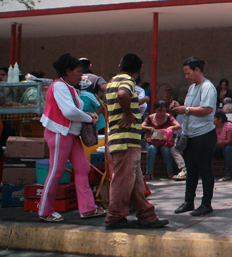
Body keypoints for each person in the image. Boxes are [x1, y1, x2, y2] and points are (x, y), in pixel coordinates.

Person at [38, 53, 105, 222]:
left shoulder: (68, 87)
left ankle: (88, 208)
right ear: (68, 71)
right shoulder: (60, 86)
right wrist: (89, 117)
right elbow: (69, 112)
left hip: (69, 134)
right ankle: (45, 211)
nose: (81, 75)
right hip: (61, 133)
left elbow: (72, 111)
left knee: (82, 168)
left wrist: (85, 115)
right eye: (78, 71)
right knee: (56, 171)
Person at [105, 53, 168, 230]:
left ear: (120, 66)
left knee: (135, 181)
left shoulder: (112, 82)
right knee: (123, 180)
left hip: (121, 139)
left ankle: (146, 215)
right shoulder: (128, 81)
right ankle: (114, 216)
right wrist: (128, 113)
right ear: (140, 69)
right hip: (126, 141)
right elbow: (123, 95)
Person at [170, 57, 218, 217]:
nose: (187, 76)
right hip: (189, 135)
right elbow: (189, 108)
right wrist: (179, 107)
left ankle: (206, 203)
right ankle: (188, 201)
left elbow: (207, 109)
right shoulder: (192, 88)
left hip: (204, 135)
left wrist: (186, 110)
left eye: (188, 73)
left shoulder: (207, 87)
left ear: (197, 70)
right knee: (190, 169)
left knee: (205, 170)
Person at [142, 100, 181, 180]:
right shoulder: (150, 117)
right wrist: (149, 128)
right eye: (159, 111)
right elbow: (141, 127)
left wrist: (170, 128)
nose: (162, 113)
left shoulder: (169, 117)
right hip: (152, 141)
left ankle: (170, 172)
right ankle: (149, 173)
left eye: (163, 110)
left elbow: (178, 126)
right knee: (151, 149)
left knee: (166, 150)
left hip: (164, 142)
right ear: (155, 110)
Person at [213, 109, 232, 181]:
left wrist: (216, 142)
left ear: (220, 119)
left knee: (227, 148)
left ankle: (229, 174)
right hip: (218, 148)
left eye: (214, 118)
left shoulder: (228, 125)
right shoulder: (212, 126)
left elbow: (229, 141)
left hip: (231, 148)